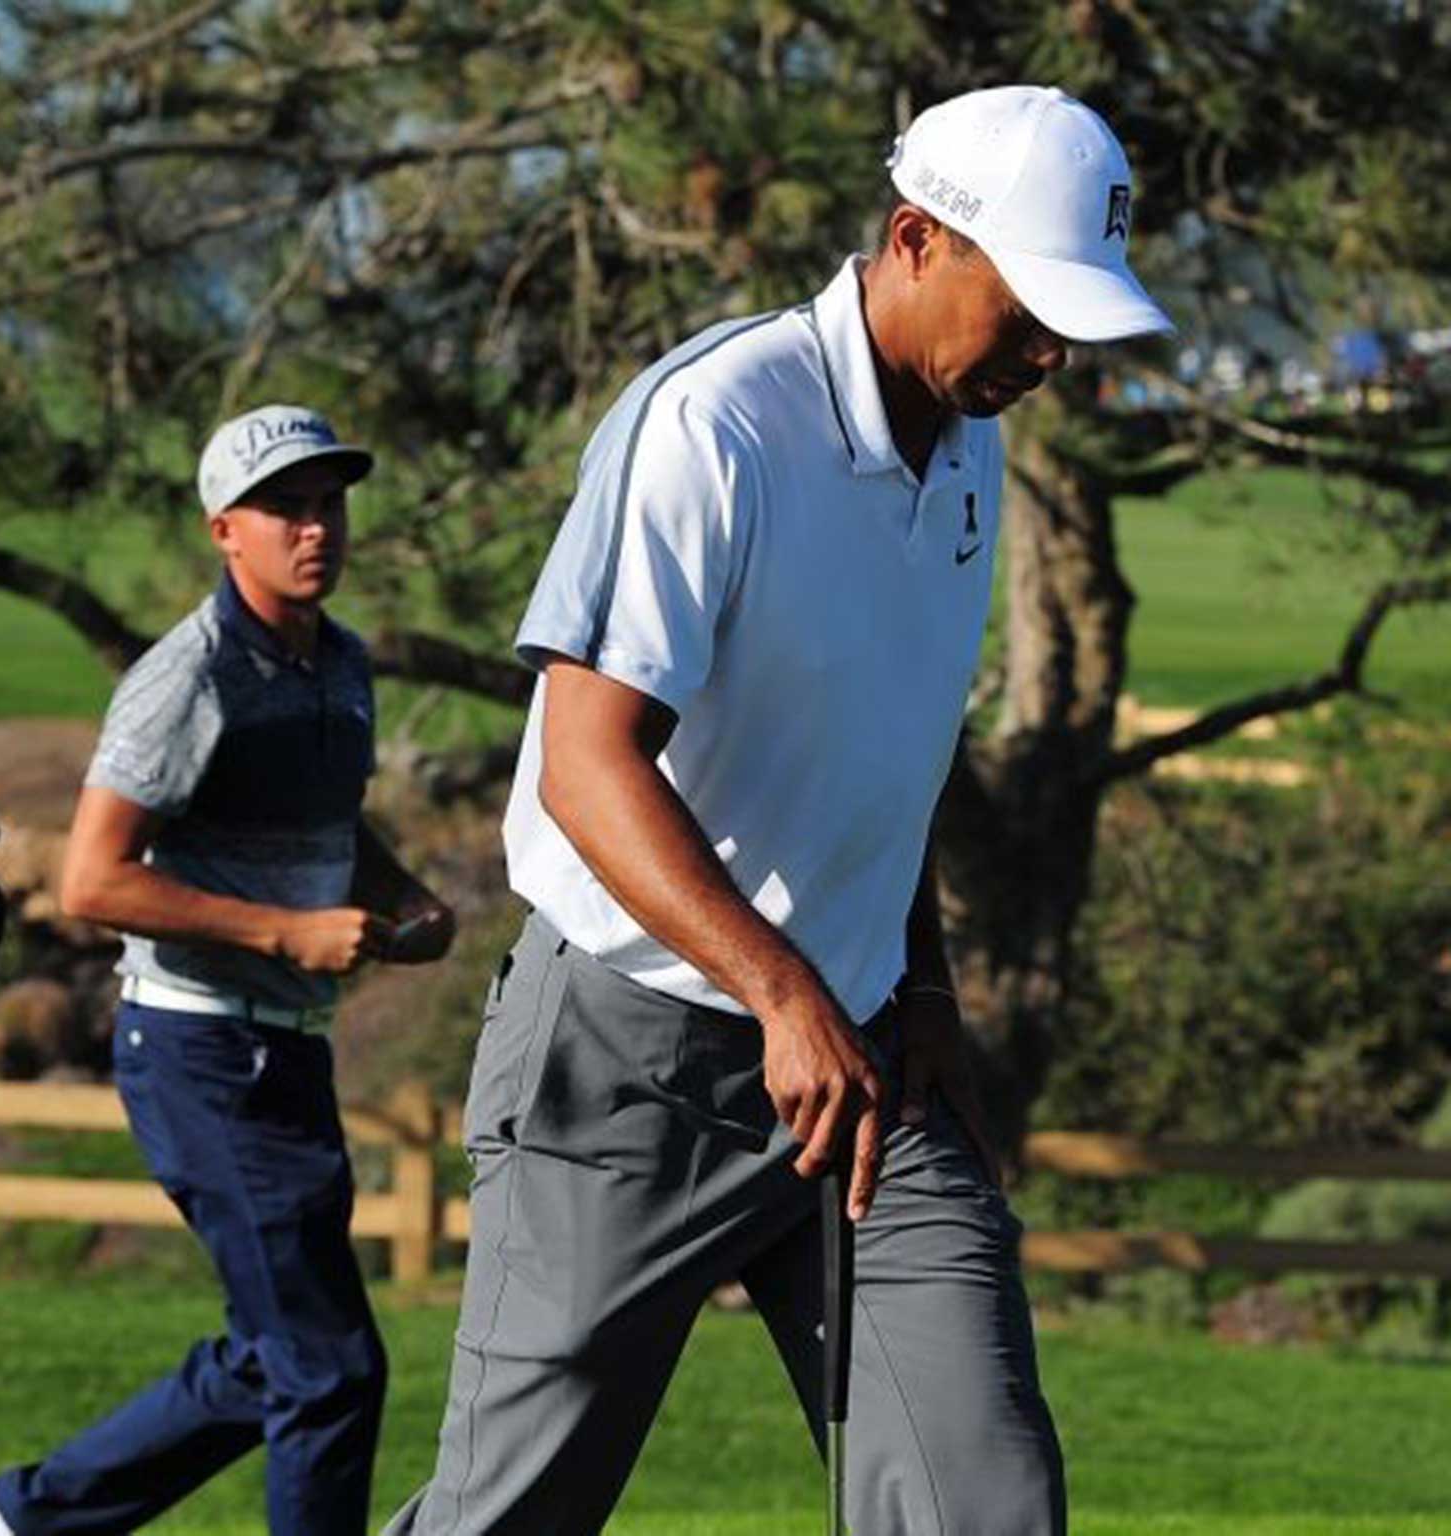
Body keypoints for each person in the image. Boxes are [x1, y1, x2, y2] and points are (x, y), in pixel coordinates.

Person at [385, 85, 1174, 1536]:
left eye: (1075, 323)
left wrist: (917, 980)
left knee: (985, 1497)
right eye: (1029, 311)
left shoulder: (976, 440)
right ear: (915, 240)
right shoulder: (714, 421)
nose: (1053, 354)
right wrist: (780, 991)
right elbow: (587, 764)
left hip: (862, 1071)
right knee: (514, 1515)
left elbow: (888, 750)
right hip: (625, 1063)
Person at [0, 405, 456, 1536]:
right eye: (284, 507)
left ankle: (11, 1523)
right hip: (199, 1047)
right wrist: (283, 934)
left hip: (287, 1050)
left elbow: (331, 827)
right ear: (224, 530)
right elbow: (91, 881)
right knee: (329, 1371)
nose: (315, 527)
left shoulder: (342, 665)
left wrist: (396, 896)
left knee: (272, 1355)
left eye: (327, 502)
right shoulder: (186, 678)